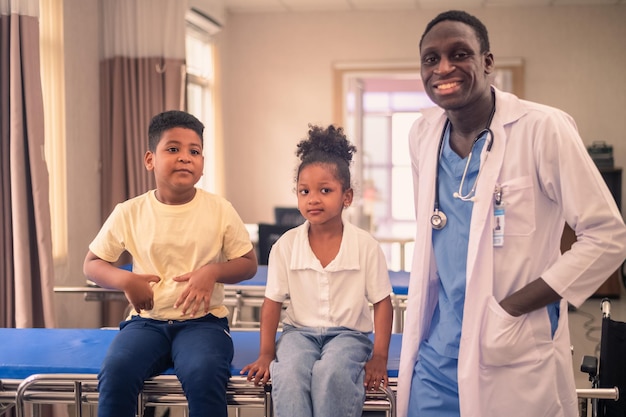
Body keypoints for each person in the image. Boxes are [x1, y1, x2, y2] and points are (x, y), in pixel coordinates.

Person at [397, 10, 626, 417]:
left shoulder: (542, 128)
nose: (443, 68)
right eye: (430, 59)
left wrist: (513, 307)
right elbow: (436, 231)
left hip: (511, 347)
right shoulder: (422, 135)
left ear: (487, 62)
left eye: (459, 54)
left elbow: (608, 237)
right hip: (437, 352)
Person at [83, 110, 257, 417]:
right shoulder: (129, 211)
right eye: (173, 149)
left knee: (204, 374)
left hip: (203, 323)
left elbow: (247, 263)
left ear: (202, 163)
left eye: (195, 151)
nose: (185, 158)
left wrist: (212, 272)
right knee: (116, 371)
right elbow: (93, 263)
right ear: (150, 160)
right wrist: (126, 281)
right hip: (146, 324)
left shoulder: (219, 209)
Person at [241, 124, 394, 417]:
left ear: (346, 197)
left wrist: (380, 355)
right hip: (299, 334)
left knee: (331, 373)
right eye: (304, 191)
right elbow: (272, 303)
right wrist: (266, 353)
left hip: (348, 336)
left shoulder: (365, 245)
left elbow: (382, 303)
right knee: (288, 374)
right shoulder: (285, 246)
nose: (313, 198)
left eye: (325, 190)